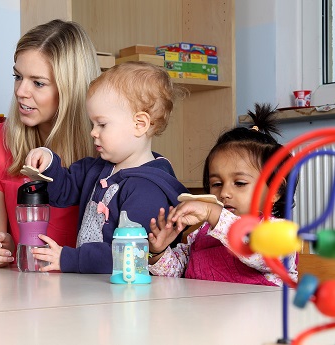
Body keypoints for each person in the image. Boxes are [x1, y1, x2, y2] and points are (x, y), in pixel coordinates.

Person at [25, 61, 189, 273]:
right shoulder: (95, 168)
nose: (93, 132)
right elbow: (62, 192)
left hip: (128, 294)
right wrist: (48, 163)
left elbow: (129, 254)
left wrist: (70, 258)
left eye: (102, 124)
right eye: (93, 124)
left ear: (139, 124)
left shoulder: (148, 189)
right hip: (94, 287)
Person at [0, 19, 101, 267]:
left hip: (89, 292)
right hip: (25, 289)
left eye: (38, 82)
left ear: (70, 89)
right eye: (17, 76)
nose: (21, 91)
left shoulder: (104, 146)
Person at [148, 103, 298, 286]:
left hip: (261, 314)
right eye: (216, 184)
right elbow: (178, 273)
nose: (224, 193)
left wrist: (214, 214)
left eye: (240, 183)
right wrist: (159, 252)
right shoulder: (203, 233)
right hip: (203, 312)